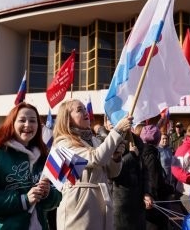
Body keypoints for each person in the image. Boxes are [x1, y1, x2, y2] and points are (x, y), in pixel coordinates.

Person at [0, 102, 61, 229]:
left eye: (33, 121)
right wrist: (23, 200)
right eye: (22, 120)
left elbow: (56, 199)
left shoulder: (44, 157)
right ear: (11, 124)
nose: (28, 125)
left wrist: (48, 193)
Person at [53, 99, 133, 230]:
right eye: (80, 110)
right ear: (67, 119)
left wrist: (116, 157)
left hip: (100, 203)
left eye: (85, 109)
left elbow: (112, 172)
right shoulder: (63, 143)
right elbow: (95, 158)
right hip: (79, 205)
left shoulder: (94, 140)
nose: (86, 112)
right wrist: (117, 130)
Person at [111, 130, 146, 230]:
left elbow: (144, 173)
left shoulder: (137, 145)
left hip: (137, 201)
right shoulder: (112, 142)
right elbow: (114, 172)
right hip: (120, 201)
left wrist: (147, 192)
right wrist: (131, 155)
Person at [140, 124, 170, 230]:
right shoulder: (150, 155)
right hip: (154, 201)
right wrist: (167, 189)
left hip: (150, 199)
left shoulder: (144, 151)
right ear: (157, 140)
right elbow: (154, 181)